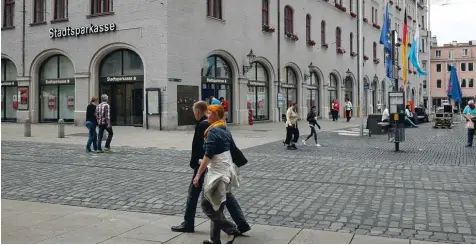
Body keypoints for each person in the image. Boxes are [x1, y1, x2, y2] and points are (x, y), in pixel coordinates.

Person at [171, 101, 250, 235]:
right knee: (226, 196)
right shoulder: (220, 125)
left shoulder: (203, 125)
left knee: (195, 195)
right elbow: (230, 145)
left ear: (197, 112)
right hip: (220, 165)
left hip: (206, 164)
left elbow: (199, 148)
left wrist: (196, 168)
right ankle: (241, 223)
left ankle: (189, 223)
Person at [192, 104, 241, 244]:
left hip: (217, 174)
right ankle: (214, 239)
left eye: (209, 113)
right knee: (217, 206)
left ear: (215, 115)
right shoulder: (225, 128)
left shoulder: (213, 131)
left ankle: (231, 228)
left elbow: (208, 155)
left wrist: (198, 175)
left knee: (206, 205)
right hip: (227, 171)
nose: (207, 116)